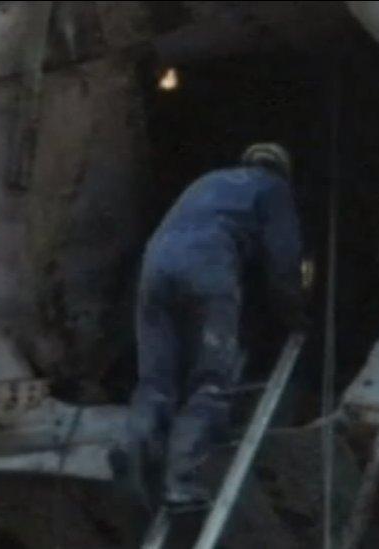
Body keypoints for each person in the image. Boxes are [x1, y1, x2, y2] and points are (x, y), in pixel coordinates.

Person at [116, 143, 306, 508]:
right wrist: (294, 315)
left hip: (154, 269)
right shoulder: (273, 189)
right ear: (281, 170)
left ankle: (131, 449)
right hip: (207, 266)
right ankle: (181, 481)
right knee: (210, 382)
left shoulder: (208, 182)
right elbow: (283, 260)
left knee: (156, 381)